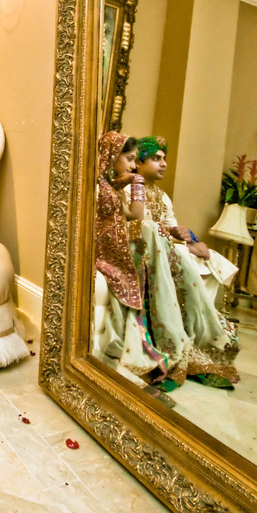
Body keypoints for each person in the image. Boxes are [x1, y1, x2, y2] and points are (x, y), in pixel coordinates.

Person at [124, 136, 239, 389]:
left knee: (206, 256)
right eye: (156, 158)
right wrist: (179, 241)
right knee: (187, 257)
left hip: (164, 246)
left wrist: (187, 236)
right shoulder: (128, 188)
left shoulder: (163, 197)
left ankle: (201, 334)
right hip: (141, 250)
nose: (164, 164)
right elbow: (135, 227)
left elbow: (171, 226)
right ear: (138, 163)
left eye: (164, 158)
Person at [95, 132, 167, 380]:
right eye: (129, 158)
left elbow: (132, 215)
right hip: (104, 252)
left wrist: (133, 182)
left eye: (135, 159)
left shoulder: (107, 187)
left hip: (114, 249)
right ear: (112, 156)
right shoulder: (99, 187)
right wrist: (132, 182)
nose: (133, 165)